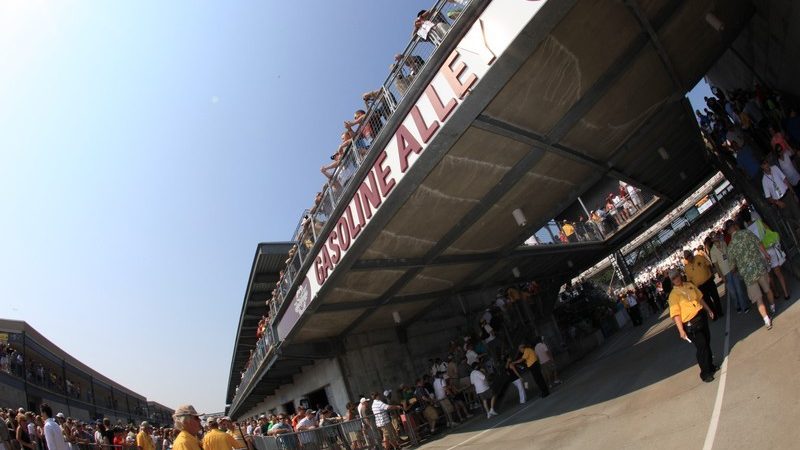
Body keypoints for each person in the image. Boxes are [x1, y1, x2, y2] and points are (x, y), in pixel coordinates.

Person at [667, 269, 717, 382]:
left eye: (677, 276)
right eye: (673, 278)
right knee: (701, 345)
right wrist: (681, 330)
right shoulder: (673, 295)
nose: (677, 279)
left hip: (701, 316)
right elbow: (676, 314)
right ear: (671, 281)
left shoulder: (689, 285)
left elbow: (700, 298)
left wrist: (708, 309)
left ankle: (710, 366)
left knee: (707, 341)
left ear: (680, 275)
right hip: (690, 323)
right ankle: (705, 373)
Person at [726, 219, 776, 329]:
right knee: (767, 290)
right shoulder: (747, 233)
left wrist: (739, 269)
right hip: (759, 267)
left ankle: (766, 320)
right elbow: (759, 244)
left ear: (728, 232)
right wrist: (766, 255)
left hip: (748, 276)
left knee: (758, 299)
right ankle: (772, 307)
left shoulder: (730, 247)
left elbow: (732, 267)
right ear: (735, 226)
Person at [707, 234, 748, 314]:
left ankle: (744, 306)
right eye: (713, 237)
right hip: (725, 274)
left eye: (716, 235)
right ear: (711, 240)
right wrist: (722, 277)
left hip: (733, 269)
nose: (716, 237)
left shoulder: (724, 243)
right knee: (733, 292)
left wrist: (735, 265)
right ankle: (737, 306)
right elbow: (716, 266)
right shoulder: (712, 251)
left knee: (739, 289)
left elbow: (730, 255)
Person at [683, 249, 723, 318]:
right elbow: (689, 280)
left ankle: (720, 312)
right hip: (700, 287)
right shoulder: (686, 268)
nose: (689, 258)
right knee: (708, 301)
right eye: (687, 257)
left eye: (689, 255)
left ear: (691, 254)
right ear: (686, 259)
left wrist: (712, 273)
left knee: (715, 297)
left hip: (709, 281)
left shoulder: (699, 257)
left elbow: (708, 265)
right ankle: (714, 315)